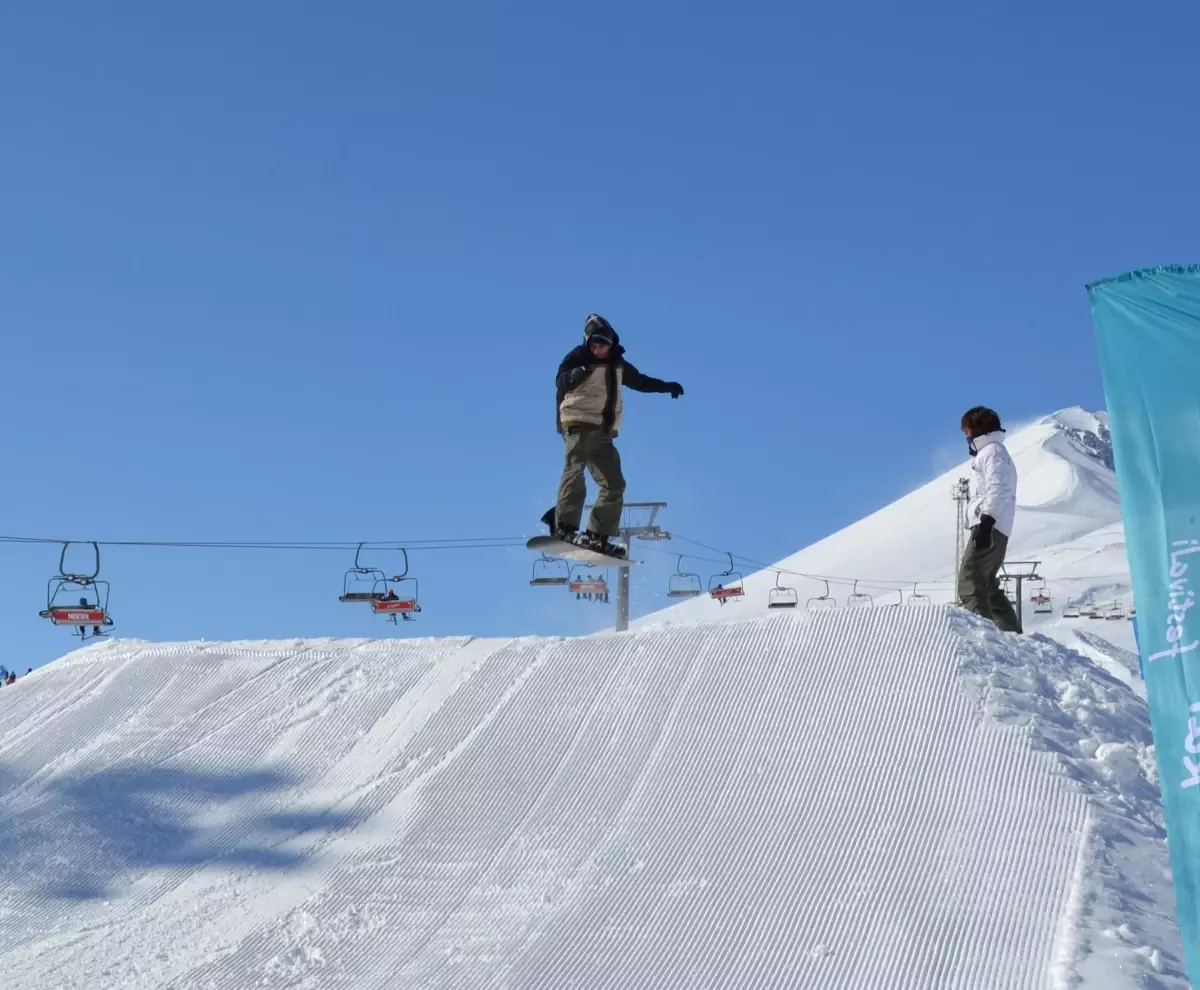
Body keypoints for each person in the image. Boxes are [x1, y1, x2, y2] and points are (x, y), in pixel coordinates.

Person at [542, 314, 683, 557]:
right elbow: (561, 382)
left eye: (604, 345)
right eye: (594, 344)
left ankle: (598, 534)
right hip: (577, 423)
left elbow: (640, 381)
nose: (599, 349)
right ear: (587, 343)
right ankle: (563, 525)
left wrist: (666, 386)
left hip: (603, 431)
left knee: (615, 483)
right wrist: (578, 373)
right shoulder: (577, 358)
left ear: (611, 344)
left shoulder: (618, 364)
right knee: (574, 473)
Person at [958, 405, 1021, 633]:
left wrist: (987, 521)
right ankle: (1011, 634)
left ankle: (982, 635)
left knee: (970, 580)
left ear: (976, 429)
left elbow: (999, 488)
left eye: (966, 430)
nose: (965, 436)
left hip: (990, 525)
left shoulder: (992, 452)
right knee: (988, 585)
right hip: (996, 524)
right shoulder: (992, 452)